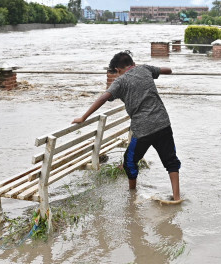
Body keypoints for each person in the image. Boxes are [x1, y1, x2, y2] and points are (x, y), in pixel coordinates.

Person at [72, 51, 181, 201]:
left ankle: (132, 195)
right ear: (132, 63)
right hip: (163, 123)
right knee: (171, 160)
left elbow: (104, 97)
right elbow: (168, 70)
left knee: (129, 161)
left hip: (142, 130)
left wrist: (83, 117)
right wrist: (159, 71)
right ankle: (176, 197)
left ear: (117, 70)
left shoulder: (120, 82)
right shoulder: (145, 69)